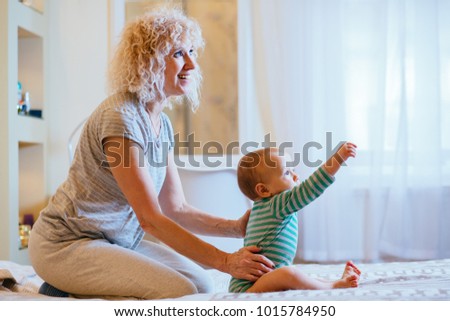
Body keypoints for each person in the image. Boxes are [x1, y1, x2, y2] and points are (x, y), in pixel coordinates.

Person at [28, 7, 274, 300]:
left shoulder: (162, 124)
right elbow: (151, 219)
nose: (193, 65)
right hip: (66, 243)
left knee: (202, 284)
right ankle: (65, 285)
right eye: (179, 54)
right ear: (149, 61)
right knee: (178, 291)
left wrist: (236, 229)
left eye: (192, 51)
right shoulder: (120, 117)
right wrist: (226, 261)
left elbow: (176, 208)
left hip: (117, 242)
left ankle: (73, 284)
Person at [229, 143, 361, 293]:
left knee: (300, 275)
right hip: (248, 288)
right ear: (264, 190)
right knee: (288, 273)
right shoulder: (276, 204)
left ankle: (338, 282)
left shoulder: (264, 207)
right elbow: (311, 187)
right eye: (287, 173)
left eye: (293, 170)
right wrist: (338, 158)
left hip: (262, 280)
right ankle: (333, 286)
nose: (295, 176)